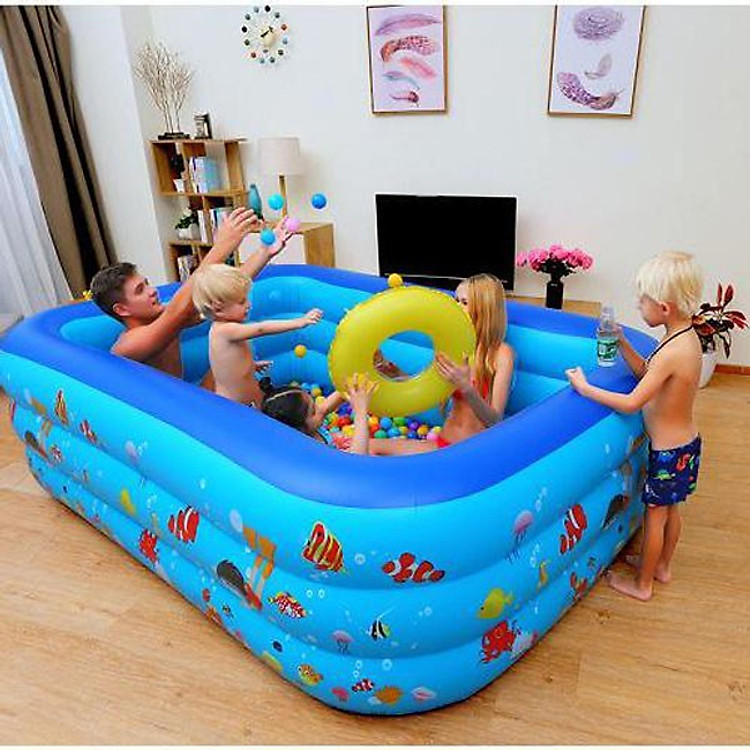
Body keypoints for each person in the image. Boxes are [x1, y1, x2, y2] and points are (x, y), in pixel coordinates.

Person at [565, 251, 703, 601]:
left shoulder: (672, 351)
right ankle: (662, 566)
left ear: (664, 307)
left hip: (668, 453)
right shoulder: (683, 338)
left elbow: (631, 402)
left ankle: (643, 586)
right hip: (686, 445)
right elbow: (647, 372)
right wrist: (623, 341)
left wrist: (585, 388)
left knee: (655, 517)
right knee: (671, 510)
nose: (639, 306)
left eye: (643, 301)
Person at [90, 207, 287, 385]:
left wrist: (265, 252)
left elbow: (222, 294)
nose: (152, 291)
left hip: (185, 397)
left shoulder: (165, 318)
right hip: (164, 410)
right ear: (121, 309)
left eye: (147, 284)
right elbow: (180, 310)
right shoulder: (127, 346)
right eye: (140, 290)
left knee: (226, 364)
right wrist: (223, 245)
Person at [369, 273, 515, 455]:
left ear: (484, 309)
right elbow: (430, 392)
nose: (456, 306)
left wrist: (467, 388)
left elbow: (494, 421)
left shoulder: (501, 354)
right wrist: (398, 374)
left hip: (467, 454)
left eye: (464, 302)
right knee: (369, 446)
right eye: (456, 300)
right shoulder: (456, 347)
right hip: (442, 444)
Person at [191, 260, 322, 406]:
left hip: (247, 397)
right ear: (218, 309)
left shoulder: (228, 328)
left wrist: (251, 365)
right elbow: (261, 329)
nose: (248, 304)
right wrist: (299, 322)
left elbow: (228, 363)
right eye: (241, 302)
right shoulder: (224, 330)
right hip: (235, 403)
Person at [261, 374, 378, 455]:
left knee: (376, 446)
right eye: (313, 411)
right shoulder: (310, 450)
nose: (319, 408)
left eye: (314, 403)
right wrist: (360, 410)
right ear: (299, 430)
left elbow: (326, 406)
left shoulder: (310, 426)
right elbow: (357, 459)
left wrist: (353, 387)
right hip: (341, 468)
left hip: (339, 450)